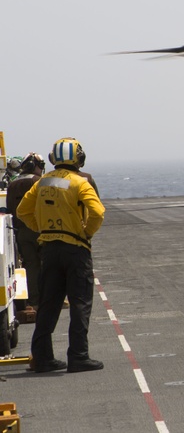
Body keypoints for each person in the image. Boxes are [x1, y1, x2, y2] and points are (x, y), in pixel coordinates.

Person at [16, 137, 105, 373]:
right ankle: (78, 357)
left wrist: (41, 228)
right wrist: (86, 233)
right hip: (75, 249)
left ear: (54, 159)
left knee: (48, 305)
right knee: (80, 303)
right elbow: (97, 212)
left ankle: (43, 359)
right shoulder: (80, 182)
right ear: (79, 158)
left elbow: (23, 210)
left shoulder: (43, 182)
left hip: (50, 249)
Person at [5, 152, 46, 317]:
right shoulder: (39, 182)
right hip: (40, 230)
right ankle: (49, 299)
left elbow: (8, 210)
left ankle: (34, 302)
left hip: (21, 231)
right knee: (47, 265)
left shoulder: (13, 185)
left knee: (30, 266)